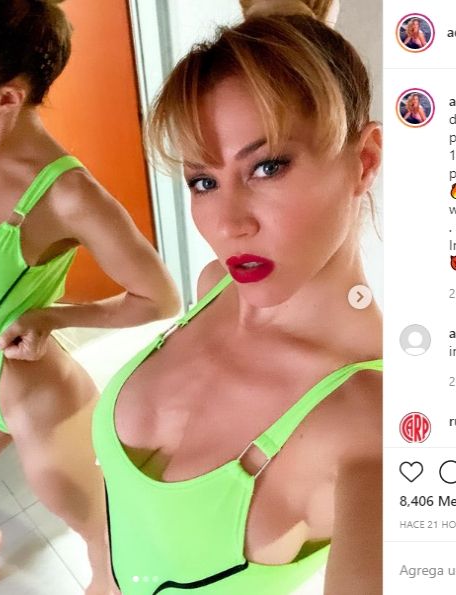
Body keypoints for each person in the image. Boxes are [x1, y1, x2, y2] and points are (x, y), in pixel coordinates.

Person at [92, 1, 383, 593]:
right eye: (203, 181)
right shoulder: (214, 286)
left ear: (364, 162)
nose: (227, 224)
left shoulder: (373, 422)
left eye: (267, 167)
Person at [0, 1, 180, 593]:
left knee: (110, 548)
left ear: (7, 96)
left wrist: (54, 316)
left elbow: (161, 298)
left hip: (41, 403)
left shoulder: (66, 196)